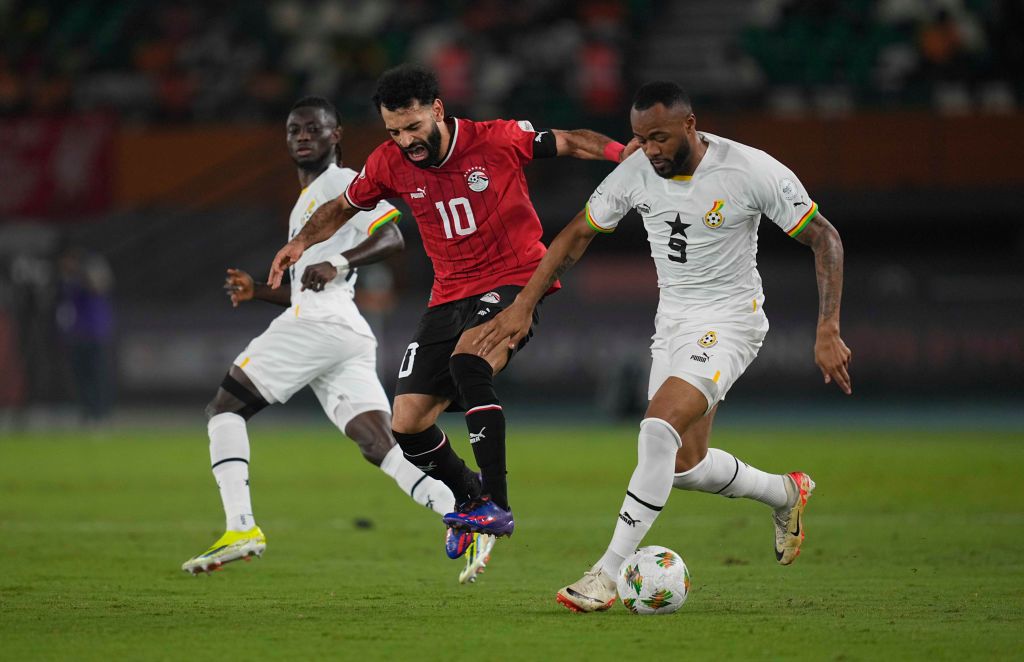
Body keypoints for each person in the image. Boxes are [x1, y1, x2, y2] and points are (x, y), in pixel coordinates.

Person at [474, 81, 852, 612]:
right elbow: (575, 236)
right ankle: (786, 492)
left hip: (730, 324)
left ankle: (605, 574)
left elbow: (825, 237)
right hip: (672, 325)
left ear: (690, 126)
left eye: (658, 138)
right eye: (640, 138)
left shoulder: (749, 169)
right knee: (684, 466)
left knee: (656, 428)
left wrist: (828, 327)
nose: (648, 150)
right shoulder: (635, 171)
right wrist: (523, 304)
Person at [268, 65, 631, 561]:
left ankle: (497, 506)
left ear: (438, 110)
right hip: (447, 295)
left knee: (469, 362)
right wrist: (300, 242)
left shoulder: (497, 139)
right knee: (407, 423)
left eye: (414, 128)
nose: (406, 141)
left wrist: (621, 155)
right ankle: (469, 496)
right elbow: (343, 206)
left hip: (513, 277)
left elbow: (571, 141)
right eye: (395, 131)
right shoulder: (388, 162)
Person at [182, 96, 480, 581]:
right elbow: (310, 287)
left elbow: (393, 234)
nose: (302, 135)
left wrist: (339, 261)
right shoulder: (309, 198)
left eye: (314, 128)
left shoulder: (341, 184)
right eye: (294, 129)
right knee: (380, 444)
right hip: (340, 328)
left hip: (322, 326)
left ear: (336, 135)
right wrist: (259, 291)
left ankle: (241, 528)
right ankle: (464, 511)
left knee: (225, 409)